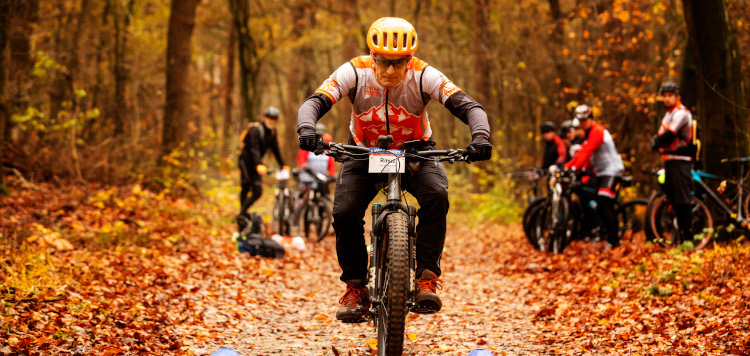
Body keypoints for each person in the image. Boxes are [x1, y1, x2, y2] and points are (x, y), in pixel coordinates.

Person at [296, 17, 492, 322]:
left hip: (415, 150)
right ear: (373, 57)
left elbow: (469, 107)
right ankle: (356, 287)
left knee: (437, 194)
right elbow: (315, 101)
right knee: (344, 212)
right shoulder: (355, 71)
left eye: (398, 63)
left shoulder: (424, 74)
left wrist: (480, 136)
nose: (390, 70)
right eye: (384, 62)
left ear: (409, 59)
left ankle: (426, 278)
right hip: (364, 150)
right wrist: (307, 127)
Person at [564, 104, 624, 249]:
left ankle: (614, 241)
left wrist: (573, 168)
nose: (582, 123)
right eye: (580, 121)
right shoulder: (587, 134)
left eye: (585, 120)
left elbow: (587, 152)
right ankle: (603, 233)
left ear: (591, 119)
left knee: (603, 202)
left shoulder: (597, 131)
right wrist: (566, 168)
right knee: (597, 202)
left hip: (612, 170)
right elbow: (581, 153)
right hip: (601, 171)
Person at [650, 81, 694, 243]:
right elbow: (659, 137)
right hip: (669, 161)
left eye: (670, 96)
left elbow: (667, 135)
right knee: (673, 199)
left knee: (683, 200)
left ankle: (688, 238)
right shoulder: (668, 114)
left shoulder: (682, 113)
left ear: (677, 97)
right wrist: (657, 141)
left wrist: (657, 142)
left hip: (681, 161)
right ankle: (680, 238)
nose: (667, 99)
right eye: (665, 96)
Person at [238, 106, 286, 223]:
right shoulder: (256, 130)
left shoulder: (272, 133)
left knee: (257, 191)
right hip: (246, 162)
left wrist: (283, 165)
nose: (272, 121)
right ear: (265, 118)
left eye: (274, 119)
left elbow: (276, 150)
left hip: (257, 164)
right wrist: (259, 164)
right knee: (246, 187)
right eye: (270, 118)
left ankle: (242, 214)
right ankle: (242, 216)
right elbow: (254, 150)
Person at [296, 123, 336, 196]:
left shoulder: (326, 144)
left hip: (321, 176)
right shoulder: (308, 144)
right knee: (305, 192)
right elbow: (301, 158)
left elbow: (330, 161)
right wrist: (304, 166)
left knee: (325, 193)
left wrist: (332, 173)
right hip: (309, 174)